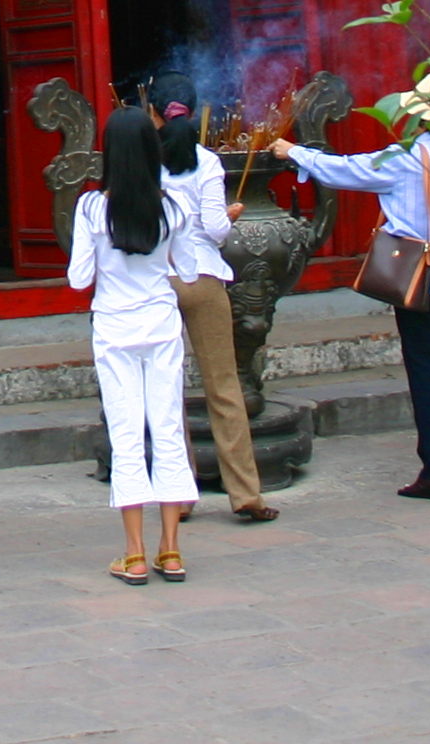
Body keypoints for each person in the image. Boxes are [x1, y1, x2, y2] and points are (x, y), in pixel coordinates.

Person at [271, 73, 430, 502]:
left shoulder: (410, 157)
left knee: (425, 371)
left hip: (420, 278)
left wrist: (293, 151)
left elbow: (347, 170)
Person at [69, 104, 196, 585]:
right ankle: (171, 550)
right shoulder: (173, 207)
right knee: (166, 431)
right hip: (161, 325)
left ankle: (134, 552)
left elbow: (79, 277)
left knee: (126, 437)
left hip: (115, 329)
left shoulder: (92, 207)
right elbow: (186, 270)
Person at [148, 72, 276, 523]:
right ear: (194, 110)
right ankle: (244, 493)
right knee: (223, 386)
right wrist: (229, 215)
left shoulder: (144, 160)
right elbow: (218, 231)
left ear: (153, 111)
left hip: (158, 281)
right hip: (203, 277)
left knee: (168, 393)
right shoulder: (207, 161)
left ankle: (178, 497)